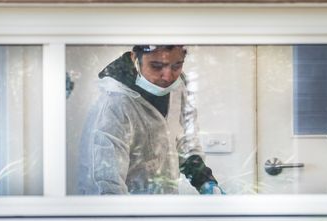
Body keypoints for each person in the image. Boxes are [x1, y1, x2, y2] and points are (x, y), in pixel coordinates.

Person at [78, 45, 224, 195]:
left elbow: (182, 139)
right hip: (131, 213)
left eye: (177, 65)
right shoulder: (114, 104)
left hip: (165, 206)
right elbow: (105, 185)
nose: (168, 76)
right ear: (135, 58)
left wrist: (204, 180)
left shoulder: (177, 87)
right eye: (156, 66)